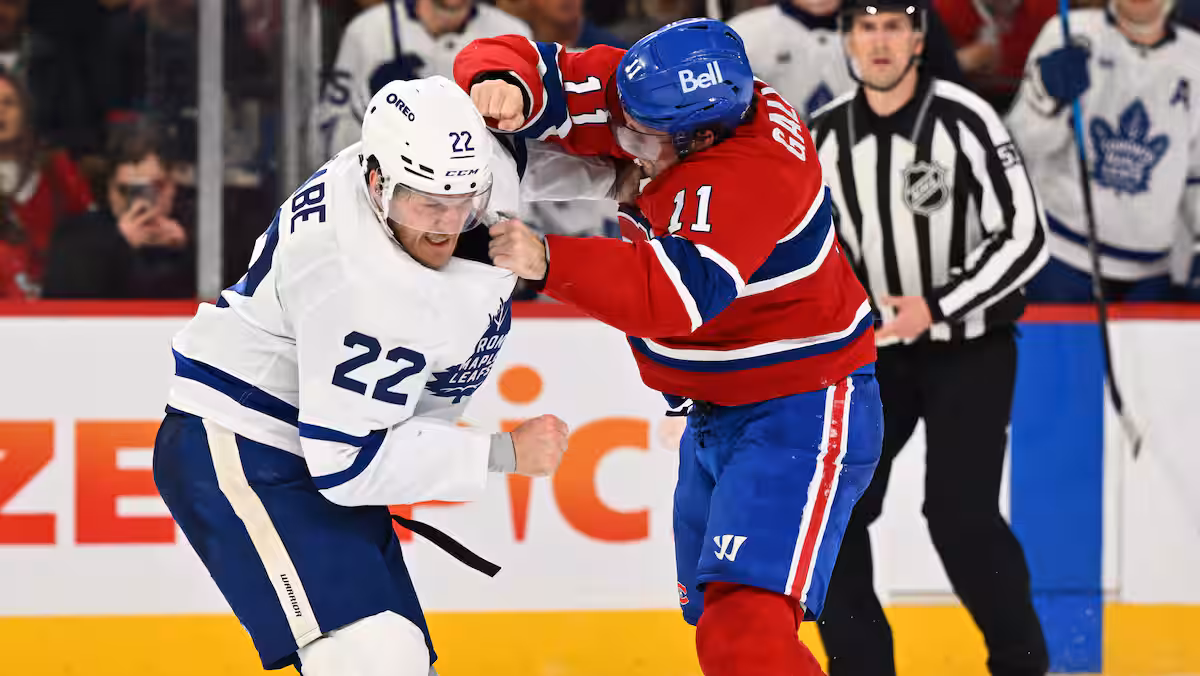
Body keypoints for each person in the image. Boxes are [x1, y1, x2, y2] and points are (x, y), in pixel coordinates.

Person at [456, 18, 883, 676]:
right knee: (722, 630)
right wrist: (499, 80)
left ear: (701, 138)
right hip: (717, 413)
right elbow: (548, 69)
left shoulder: (753, 174)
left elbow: (672, 298)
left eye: (640, 138)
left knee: (743, 636)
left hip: (799, 406)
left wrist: (546, 259)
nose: (622, 141)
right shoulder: (660, 91)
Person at [152, 76, 575, 676]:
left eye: (464, 201)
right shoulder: (358, 286)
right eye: (425, 203)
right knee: (377, 659)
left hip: (317, 430)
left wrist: (625, 180)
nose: (447, 225)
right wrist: (502, 452)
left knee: (397, 659)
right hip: (249, 446)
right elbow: (347, 465)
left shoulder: (430, 163)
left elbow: (523, 163)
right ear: (376, 182)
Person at [808, 0, 1050, 674]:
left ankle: (1022, 665)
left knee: (959, 516)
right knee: (833, 516)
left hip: (969, 349)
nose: (879, 41)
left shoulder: (966, 118)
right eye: (866, 27)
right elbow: (808, 249)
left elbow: (1025, 237)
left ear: (917, 39)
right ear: (847, 40)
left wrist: (936, 307)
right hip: (873, 360)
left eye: (894, 26)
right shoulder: (822, 136)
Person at [1007, 0, 1200, 302]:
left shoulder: (1194, 57)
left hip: (1152, 276)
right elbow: (1026, 145)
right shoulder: (1069, 32)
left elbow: (1196, 173)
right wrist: (1044, 98)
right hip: (1059, 261)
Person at [313, 0, 530, 163]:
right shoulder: (367, 31)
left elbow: (530, 148)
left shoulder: (512, 35)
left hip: (480, 196)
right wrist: (372, 105)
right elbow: (327, 139)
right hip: (390, 194)